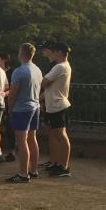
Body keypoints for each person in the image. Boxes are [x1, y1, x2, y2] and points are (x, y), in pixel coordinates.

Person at [6, 43, 42, 183]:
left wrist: (10, 108)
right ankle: (33, 170)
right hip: (35, 106)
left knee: (21, 141)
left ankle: (23, 174)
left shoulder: (19, 71)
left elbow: (13, 93)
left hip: (22, 109)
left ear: (21, 53)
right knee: (32, 138)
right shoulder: (37, 69)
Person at [41, 41, 73, 177]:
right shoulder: (63, 66)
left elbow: (44, 82)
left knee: (61, 135)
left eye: (54, 51)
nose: (52, 53)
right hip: (54, 105)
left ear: (59, 52)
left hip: (57, 105)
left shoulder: (59, 67)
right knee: (56, 135)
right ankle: (57, 163)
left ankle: (64, 166)